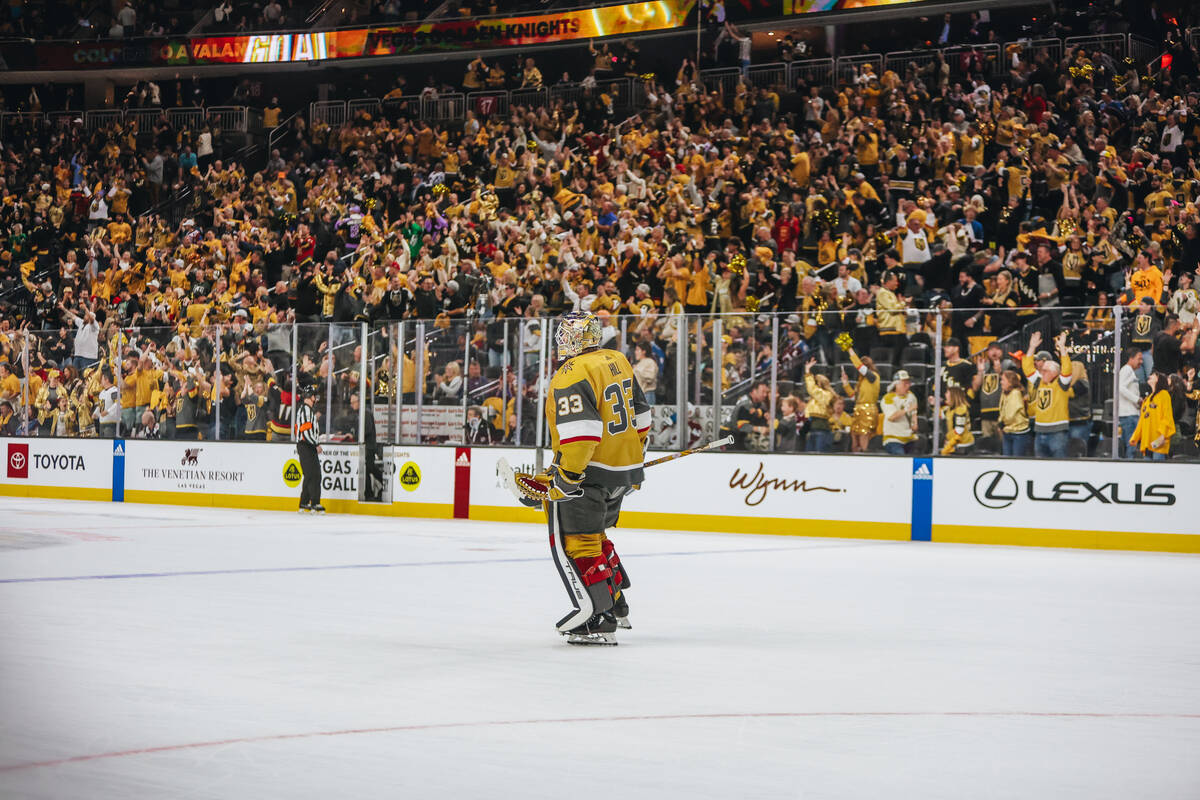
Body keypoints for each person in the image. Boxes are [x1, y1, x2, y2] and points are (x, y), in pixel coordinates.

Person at [525, 312, 649, 646]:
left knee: (579, 543)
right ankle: (617, 604)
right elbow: (643, 413)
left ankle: (598, 616)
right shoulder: (616, 358)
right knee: (595, 535)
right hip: (622, 471)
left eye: (563, 334)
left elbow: (581, 434)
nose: (560, 340)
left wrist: (565, 477)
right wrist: (634, 452)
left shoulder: (570, 372)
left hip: (589, 474)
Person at [1023, 330, 1073, 459]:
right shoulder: (1039, 382)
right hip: (1039, 431)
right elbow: (1027, 368)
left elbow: (1067, 368)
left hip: (1057, 433)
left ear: (1054, 372)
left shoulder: (1061, 383)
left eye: (1045, 370)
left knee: (1059, 466)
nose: (1042, 372)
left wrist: (1062, 348)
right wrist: (1032, 347)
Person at [1129, 372, 1175, 461]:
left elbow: (1167, 417)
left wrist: (1162, 436)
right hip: (1147, 443)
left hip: (1158, 443)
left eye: (1153, 375)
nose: (1150, 376)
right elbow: (1142, 420)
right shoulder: (1147, 399)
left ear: (1158, 379)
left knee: (1158, 471)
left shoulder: (1164, 395)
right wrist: (1135, 437)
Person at [295, 383, 324, 513]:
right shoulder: (306, 411)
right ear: (310, 396)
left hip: (306, 445)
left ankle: (304, 502)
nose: (315, 399)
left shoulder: (306, 410)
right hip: (306, 445)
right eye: (314, 396)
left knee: (309, 475)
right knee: (315, 474)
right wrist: (316, 444)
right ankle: (315, 503)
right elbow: (306, 432)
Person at [879, 370, 919, 455]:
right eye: (905, 384)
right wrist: (907, 409)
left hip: (909, 437)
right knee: (900, 456)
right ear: (896, 384)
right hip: (893, 438)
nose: (908, 386)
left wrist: (915, 423)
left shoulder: (911, 396)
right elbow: (892, 417)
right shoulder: (888, 398)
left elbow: (914, 412)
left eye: (909, 383)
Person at [1116, 348, 1143, 459]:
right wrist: (1137, 400)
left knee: (1130, 446)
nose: (1141, 362)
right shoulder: (1127, 370)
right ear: (1131, 358)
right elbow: (1120, 388)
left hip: (1130, 414)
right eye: (1139, 358)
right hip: (1129, 415)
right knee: (1131, 447)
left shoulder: (1129, 371)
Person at [998, 370, 1031, 457]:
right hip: (1008, 431)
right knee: (1007, 461)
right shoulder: (1004, 393)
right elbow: (1002, 409)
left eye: (1003, 380)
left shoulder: (1015, 393)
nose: (1001, 382)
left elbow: (1010, 415)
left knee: (1017, 461)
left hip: (1018, 432)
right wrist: (1000, 422)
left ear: (1010, 382)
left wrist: (1002, 423)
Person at [940, 385, 974, 455]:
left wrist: (949, 444)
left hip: (963, 444)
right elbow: (941, 415)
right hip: (954, 442)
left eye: (947, 393)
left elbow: (959, 430)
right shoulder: (949, 409)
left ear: (953, 396)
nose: (945, 394)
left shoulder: (961, 409)